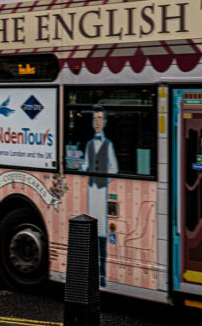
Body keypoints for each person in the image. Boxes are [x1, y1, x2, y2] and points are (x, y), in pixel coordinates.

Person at [81, 105, 118, 287]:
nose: (97, 122)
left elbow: (114, 168)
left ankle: (102, 274)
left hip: (101, 191)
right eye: (94, 119)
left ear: (104, 122)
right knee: (91, 230)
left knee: (102, 231)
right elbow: (85, 165)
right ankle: (92, 271)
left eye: (99, 119)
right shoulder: (89, 144)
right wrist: (81, 168)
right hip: (91, 190)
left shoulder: (108, 144)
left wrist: (104, 180)